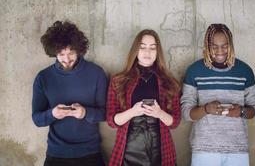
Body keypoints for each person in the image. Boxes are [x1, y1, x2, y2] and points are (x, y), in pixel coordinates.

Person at [181, 23, 255, 166]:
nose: (220, 51)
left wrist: (241, 111)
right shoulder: (194, 71)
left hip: (237, 149)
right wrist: (206, 109)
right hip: (204, 150)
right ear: (207, 46)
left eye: (225, 46)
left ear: (231, 45)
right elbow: (186, 113)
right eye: (214, 46)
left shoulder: (244, 71)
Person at [32, 21, 108, 166]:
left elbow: (105, 113)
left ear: (79, 50)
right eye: (61, 54)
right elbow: (37, 119)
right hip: (56, 154)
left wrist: (85, 113)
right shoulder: (43, 77)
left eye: (71, 53)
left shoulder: (96, 73)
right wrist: (52, 114)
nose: (66, 59)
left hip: (90, 153)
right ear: (53, 52)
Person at [106, 29, 181, 166]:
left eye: (152, 48)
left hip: (161, 150)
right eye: (142, 47)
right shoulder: (118, 81)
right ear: (135, 50)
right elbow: (111, 121)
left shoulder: (169, 82)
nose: (147, 52)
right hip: (128, 149)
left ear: (158, 52)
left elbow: (175, 122)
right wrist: (133, 112)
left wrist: (159, 113)